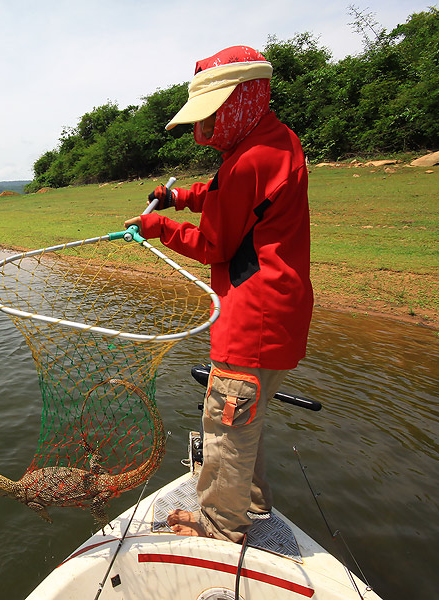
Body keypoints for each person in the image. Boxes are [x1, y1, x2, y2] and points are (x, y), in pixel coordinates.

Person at [124, 45, 313, 544]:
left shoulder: (248, 160)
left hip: (252, 318)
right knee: (247, 418)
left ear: (237, 102)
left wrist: (159, 226)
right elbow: (229, 194)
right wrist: (179, 196)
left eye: (209, 117)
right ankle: (249, 504)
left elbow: (213, 244)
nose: (203, 131)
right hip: (281, 313)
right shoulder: (275, 142)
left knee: (226, 420)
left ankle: (219, 526)